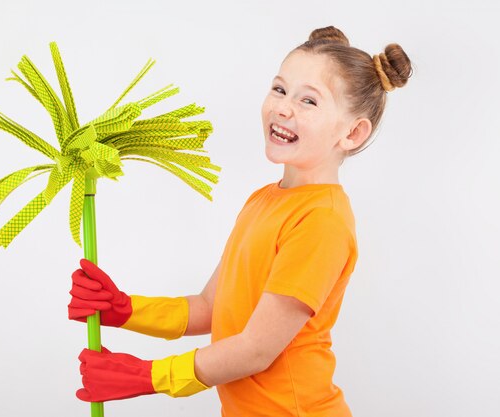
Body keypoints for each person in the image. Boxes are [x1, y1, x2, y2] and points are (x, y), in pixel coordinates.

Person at [68, 25, 413, 416]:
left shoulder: (322, 222)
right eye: (280, 89)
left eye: (309, 101)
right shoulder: (264, 201)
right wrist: (127, 309)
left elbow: (255, 350)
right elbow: (211, 306)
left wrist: (148, 376)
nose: (283, 107)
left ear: (351, 133)